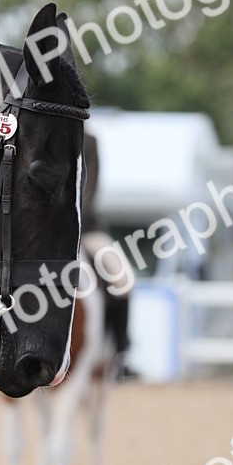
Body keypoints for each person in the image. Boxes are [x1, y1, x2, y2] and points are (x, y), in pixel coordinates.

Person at [81, 130, 136, 379]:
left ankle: (119, 350)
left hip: (86, 229)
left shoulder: (89, 142)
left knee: (122, 279)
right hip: (42, 233)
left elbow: (89, 190)